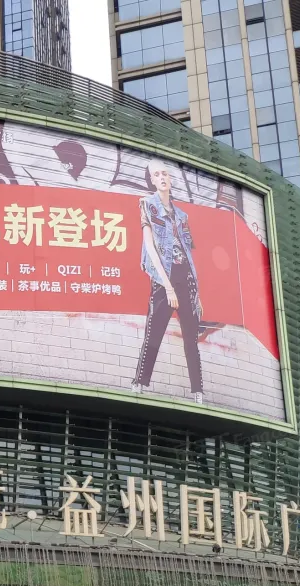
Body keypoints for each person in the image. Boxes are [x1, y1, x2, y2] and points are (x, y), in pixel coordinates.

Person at [131, 159, 205, 404]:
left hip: (186, 278)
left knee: (191, 340)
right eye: (157, 175)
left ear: (170, 179)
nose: (162, 178)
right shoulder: (147, 205)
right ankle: (139, 383)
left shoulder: (182, 216)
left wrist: (197, 293)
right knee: (153, 334)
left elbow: (188, 254)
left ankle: (198, 391)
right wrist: (168, 286)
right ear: (152, 180)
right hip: (164, 278)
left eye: (165, 174)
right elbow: (150, 248)